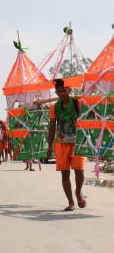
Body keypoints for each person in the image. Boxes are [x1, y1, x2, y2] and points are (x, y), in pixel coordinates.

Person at [45, 79, 87, 211]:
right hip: (61, 143)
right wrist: (49, 145)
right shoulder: (54, 107)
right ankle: (70, 202)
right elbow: (52, 126)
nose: (61, 94)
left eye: (64, 91)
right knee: (65, 174)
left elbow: (89, 116)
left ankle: (78, 192)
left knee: (79, 170)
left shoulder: (77, 102)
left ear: (68, 90)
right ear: (56, 93)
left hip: (77, 142)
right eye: (58, 92)